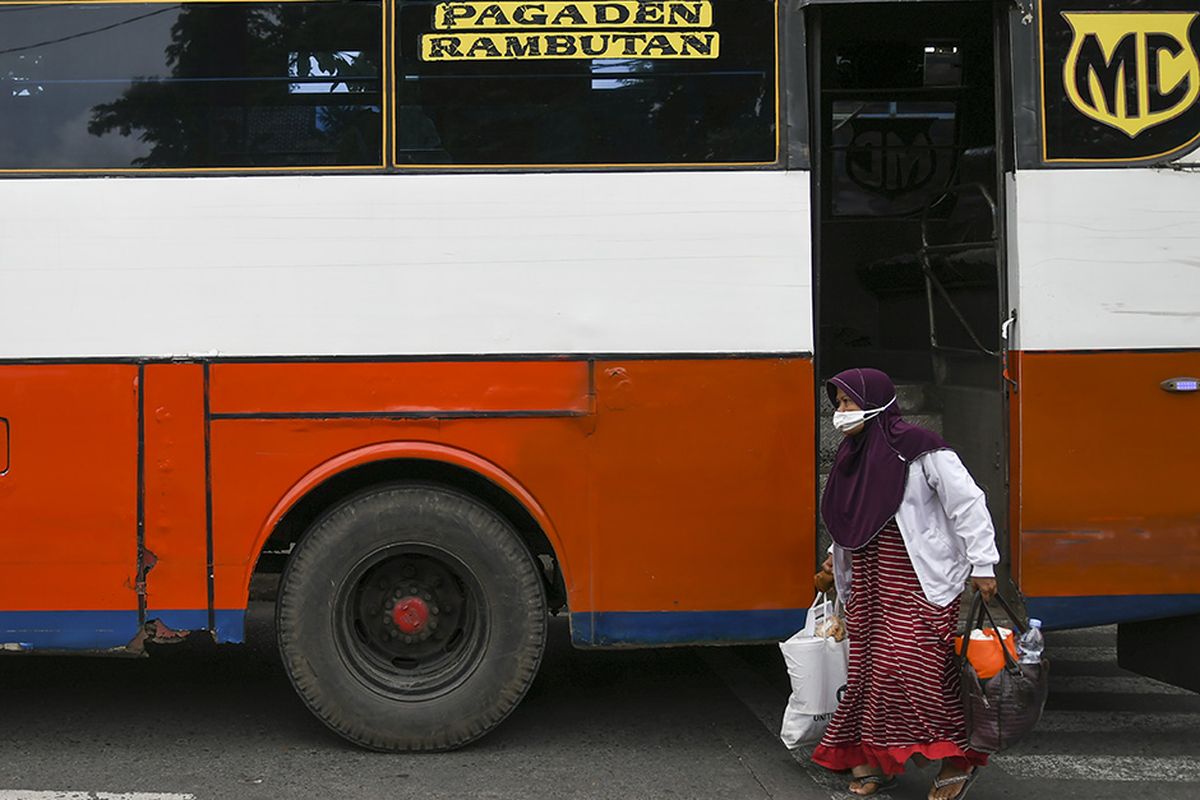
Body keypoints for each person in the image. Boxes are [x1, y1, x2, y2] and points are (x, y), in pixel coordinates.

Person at [812, 368, 999, 800]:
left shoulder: (920, 448)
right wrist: (832, 554)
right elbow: (849, 514)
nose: (840, 412)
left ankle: (959, 759)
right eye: (837, 403)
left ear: (874, 400)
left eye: (847, 402)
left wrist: (984, 564)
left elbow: (967, 503)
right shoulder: (850, 454)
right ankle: (878, 762)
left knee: (913, 670)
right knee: (867, 674)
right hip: (869, 580)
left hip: (918, 579)